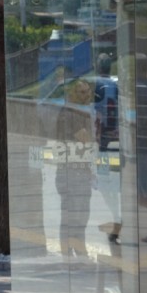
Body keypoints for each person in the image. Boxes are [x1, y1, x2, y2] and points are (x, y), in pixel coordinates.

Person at [54, 79, 96, 258]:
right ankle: (69, 251)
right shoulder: (70, 113)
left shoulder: (82, 113)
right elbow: (87, 139)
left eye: (88, 92)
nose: (87, 96)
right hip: (71, 171)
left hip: (81, 170)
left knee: (82, 214)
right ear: (72, 94)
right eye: (82, 92)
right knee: (72, 214)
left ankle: (78, 248)